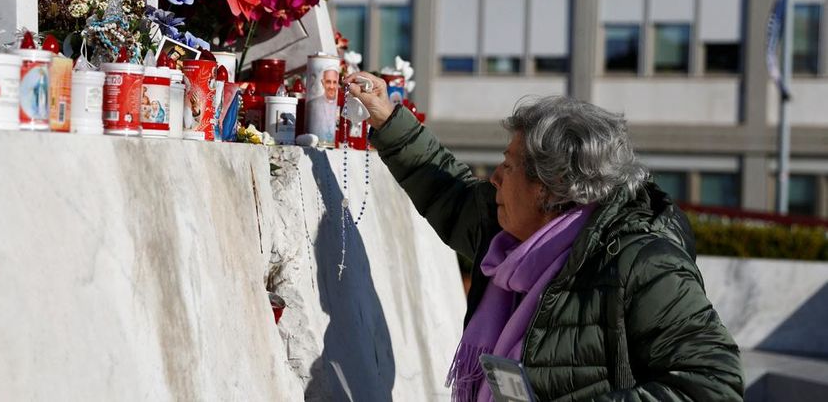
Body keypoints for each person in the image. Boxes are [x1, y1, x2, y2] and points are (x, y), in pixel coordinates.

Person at [345, 72, 744, 402]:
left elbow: (713, 386)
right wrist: (388, 118)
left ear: (550, 187)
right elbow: (448, 189)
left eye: (508, 165)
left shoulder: (642, 262)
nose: (495, 177)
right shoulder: (513, 239)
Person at [306, 68, 340, 142]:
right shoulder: (313, 104)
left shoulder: (340, 104)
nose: (331, 86)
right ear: (323, 82)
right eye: (328, 82)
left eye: (334, 82)